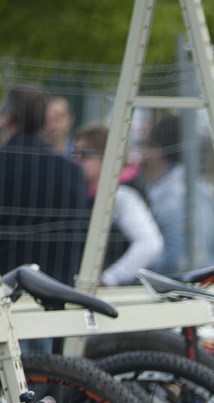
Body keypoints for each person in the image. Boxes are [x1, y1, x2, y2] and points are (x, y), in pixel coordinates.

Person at [0, 83, 88, 289]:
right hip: (56, 291)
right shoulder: (73, 173)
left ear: (7, 116)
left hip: (5, 289)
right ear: (47, 122)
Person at [72, 121, 163, 286]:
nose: (76, 160)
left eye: (84, 154)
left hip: (117, 294)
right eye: (74, 153)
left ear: (106, 156)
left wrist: (109, 278)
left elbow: (150, 244)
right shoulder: (89, 195)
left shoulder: (121, 195)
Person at [143, 113, 214, 275]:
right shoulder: (204, 188)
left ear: (157, 149)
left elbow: (176, 257)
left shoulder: (169, 193)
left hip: (176, 281)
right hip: (204, 277)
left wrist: (147, 276)